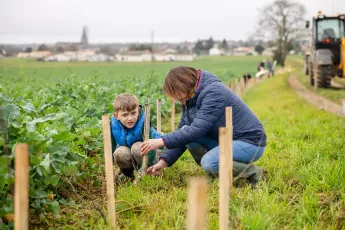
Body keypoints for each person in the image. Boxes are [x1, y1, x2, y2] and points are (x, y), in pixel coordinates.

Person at [140, 66, 267, 187]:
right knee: (185, 132)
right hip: (226, 140)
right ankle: (217, 170)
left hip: (250, 142)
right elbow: (183, 132)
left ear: (184, 84)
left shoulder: (213, 92)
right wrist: (163, 162)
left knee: (209, 162)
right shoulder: (190, 97)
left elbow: (195, 131)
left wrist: (161, 141)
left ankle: (254, 173)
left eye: (177, 93)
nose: (178, 99)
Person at [110, 93, 162, 180]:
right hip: (134, 156)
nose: (130, 118)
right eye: (125, 115)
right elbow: (111, 146)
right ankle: (129, 176)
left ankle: (150, 173)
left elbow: (151, 149)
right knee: (119, 153)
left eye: (133, 113)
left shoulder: (143, 122)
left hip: (153, 155)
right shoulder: (113, 125)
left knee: (137, 147)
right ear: (116, 116)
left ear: (138, 110)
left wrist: (143, 170)